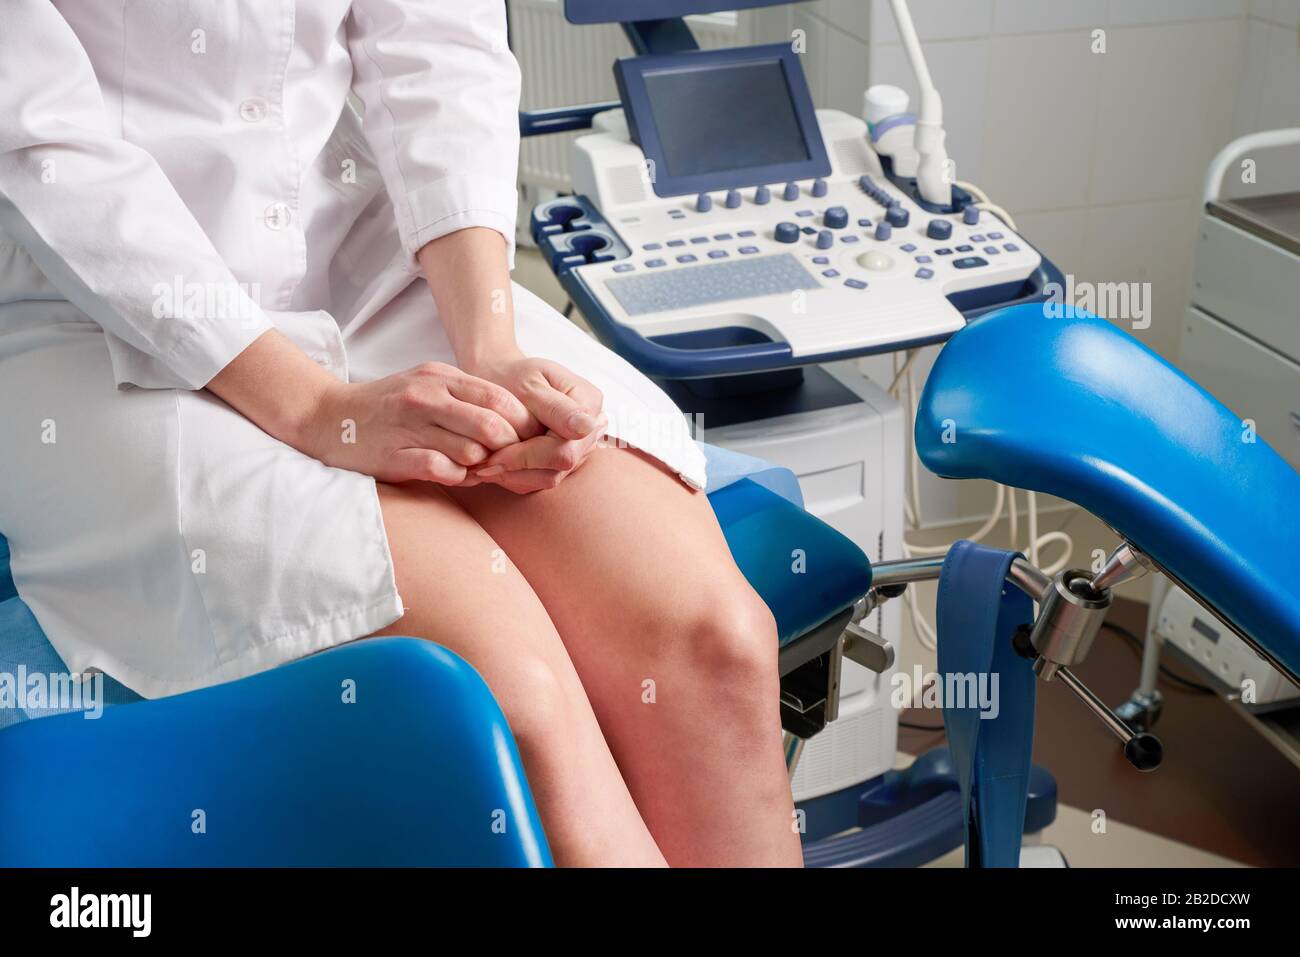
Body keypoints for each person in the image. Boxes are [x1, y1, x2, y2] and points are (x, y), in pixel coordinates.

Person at [0, 1, 802, 866]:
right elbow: (43, 147)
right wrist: (314, 409)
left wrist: (486, 342)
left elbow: (432, 42)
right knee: (511, 705)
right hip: (91, 318)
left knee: (718, 643)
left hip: (351, 262)